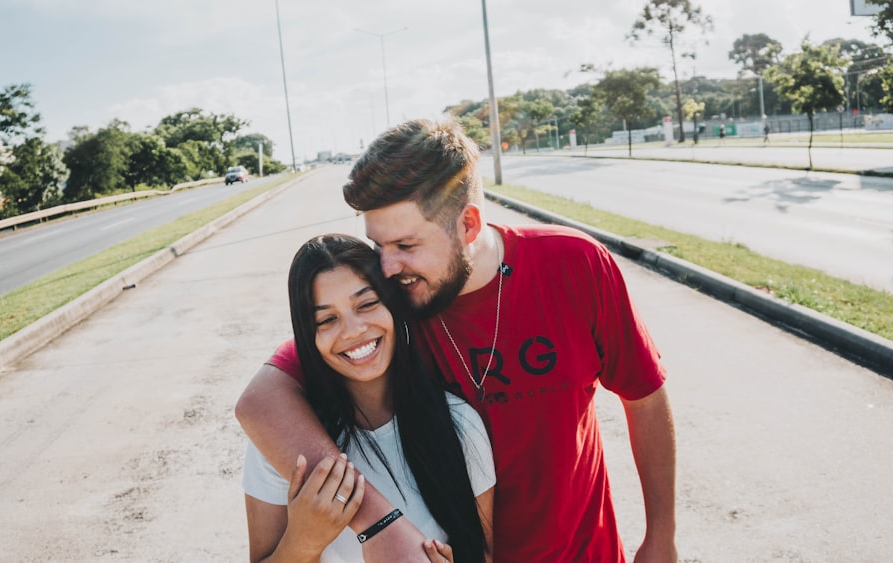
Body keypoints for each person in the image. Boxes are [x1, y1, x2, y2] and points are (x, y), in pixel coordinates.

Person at [236, 118, 677, 562]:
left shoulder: (575, 265)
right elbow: (261, 400)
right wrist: (378, 524)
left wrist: (660, 535)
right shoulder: (393, 304)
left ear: (468, 224)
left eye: (406, 244)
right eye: (378, 245)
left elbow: (645, 395)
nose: (387, 267)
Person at [241, 234, 495, 562]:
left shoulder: (459, 424)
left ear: (393, 306)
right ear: (307, 335)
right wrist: (304, 540)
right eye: (327, 319)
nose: (352, 330)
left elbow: (485, 553)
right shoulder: (283, 444)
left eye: (366, 304)